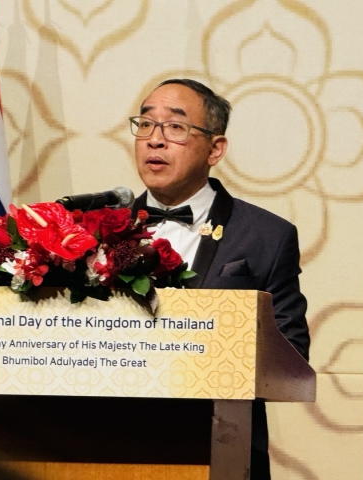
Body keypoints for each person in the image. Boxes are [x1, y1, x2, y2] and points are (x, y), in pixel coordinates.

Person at [129, 78, 310, 479]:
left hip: (218, 451)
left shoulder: (266, 236)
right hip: (103, 445)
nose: (154, 140)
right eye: (145, 124)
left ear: (215, 149)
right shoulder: (94, 229)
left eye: (175, 127)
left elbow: (291, 359)